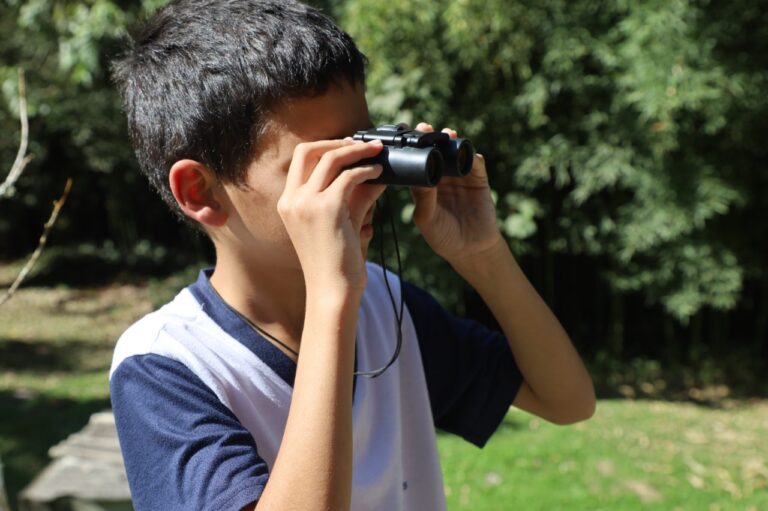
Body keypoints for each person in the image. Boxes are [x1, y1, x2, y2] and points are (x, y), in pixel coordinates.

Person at [108, 0, 596, 509]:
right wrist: (332, 295)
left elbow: (567, 401)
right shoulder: (165, 365)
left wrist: (483, 255)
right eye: (326, 163)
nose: (368, 184)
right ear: (200, 191)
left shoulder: (386, 307)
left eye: (367, 150)